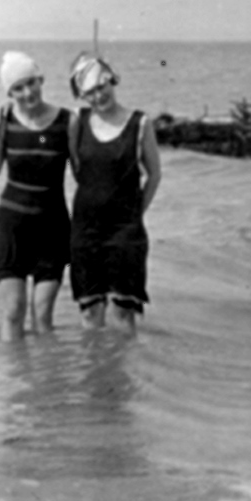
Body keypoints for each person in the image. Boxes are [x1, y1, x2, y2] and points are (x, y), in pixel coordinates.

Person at [0, 52, 73, 341]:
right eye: (18, 88)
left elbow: (84, 170)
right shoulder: (5, 122)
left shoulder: (67, 121)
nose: (27, 92)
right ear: (10, 92)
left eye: (31, 83)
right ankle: (15, 381)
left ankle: (46, 383)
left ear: (41, 80)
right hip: (12, 227)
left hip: (52, 227)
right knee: (14, 311)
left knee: (43, 315)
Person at [67, 52, 162, 334]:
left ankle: (121, 380)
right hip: (85, 231)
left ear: (112, 80)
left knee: (123, 316)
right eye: (90, 93)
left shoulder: (140, 123)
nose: (98, 96)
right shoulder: (77, 122)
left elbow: (154, 175)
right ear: (82, 96)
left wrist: (135, 214)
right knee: (90, 315)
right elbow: (77, 168)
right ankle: (93, 377)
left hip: (125, 231)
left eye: (102, 87)